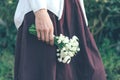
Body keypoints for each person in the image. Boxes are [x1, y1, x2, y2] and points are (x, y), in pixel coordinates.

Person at [14, 0, 107, 80]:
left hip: (72, 10)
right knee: (45, 74)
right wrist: (40, 11)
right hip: (47, 10)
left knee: (93, 73)